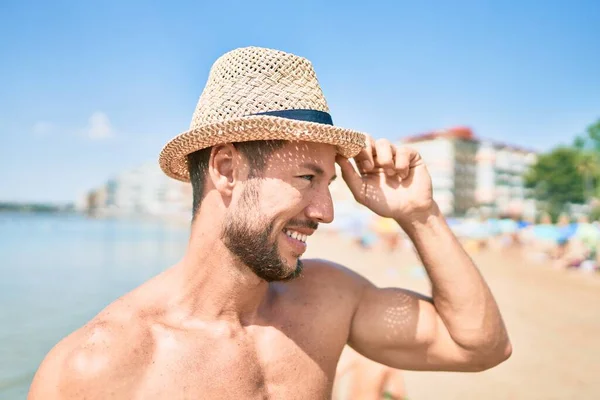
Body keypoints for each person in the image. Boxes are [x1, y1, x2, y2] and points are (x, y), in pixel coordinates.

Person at [28, 46, 511, 399]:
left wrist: (420, 216)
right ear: (226, 169)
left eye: (329, 185)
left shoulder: (326, 300)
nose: (326, 211)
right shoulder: (97, 368)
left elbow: (480, 346)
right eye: (307, 178)